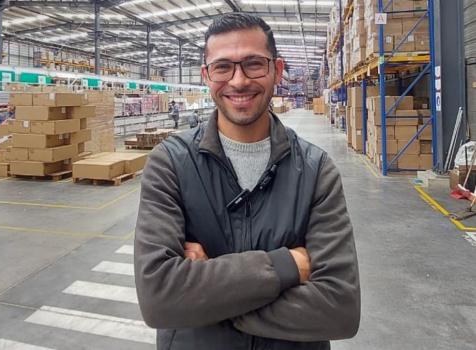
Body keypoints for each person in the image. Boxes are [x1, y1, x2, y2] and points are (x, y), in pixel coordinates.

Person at [135, 13, 360, 350]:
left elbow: (339, 309)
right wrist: (289, 266)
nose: (238, 81)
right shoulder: (171, 164)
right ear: (206, 75)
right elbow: (159, 299)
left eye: (253, 64)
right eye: (223, 67)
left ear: (277, 70)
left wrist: (207, 300)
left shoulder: (315, 170)